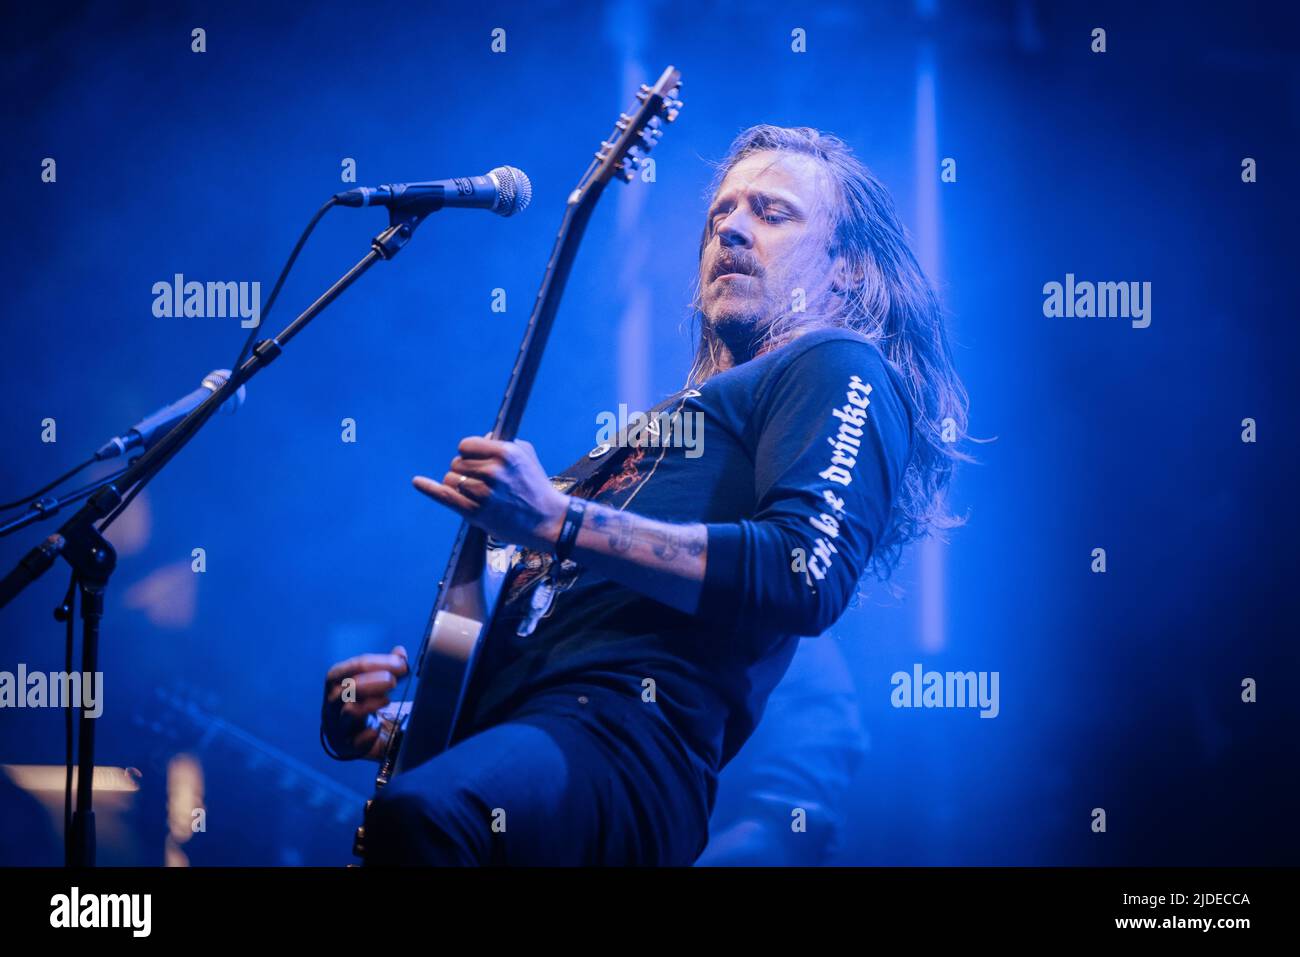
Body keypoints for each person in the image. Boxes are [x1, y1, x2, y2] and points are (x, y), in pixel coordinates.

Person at [320, 125, 967, 865]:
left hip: (623, 739)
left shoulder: (837, 361)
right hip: (525, 736)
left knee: (428, 817)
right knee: (421, 813)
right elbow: (536, 628)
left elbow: (805, 571)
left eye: (771, 211)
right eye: (720, 212)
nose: (731, 227)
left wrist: (556, 516)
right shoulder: (651, 436)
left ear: (848, 268)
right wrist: (394, 723)